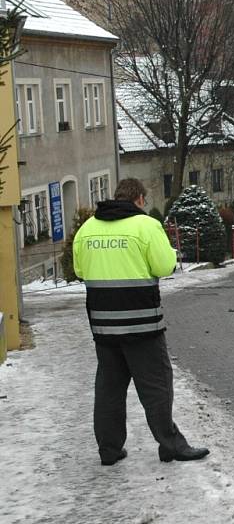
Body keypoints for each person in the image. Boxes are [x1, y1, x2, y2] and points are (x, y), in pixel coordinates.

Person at [73, 178, 209, 466]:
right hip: (142, 325)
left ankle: (109, 450)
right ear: (138, 199)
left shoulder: (87, 229)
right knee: (157, 386)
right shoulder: (146, 226)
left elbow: (80, 270)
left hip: (103, 327)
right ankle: (170, 445)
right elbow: (164, 266)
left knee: (109, 388)